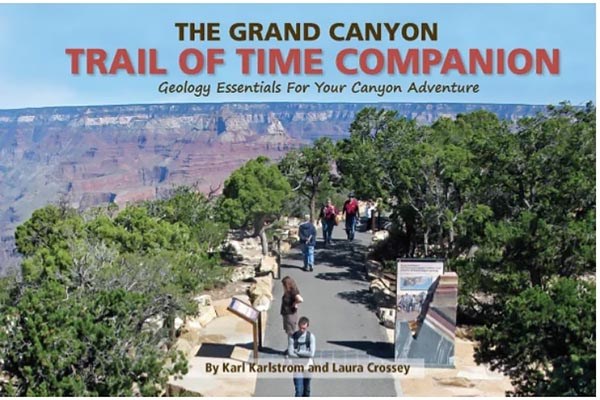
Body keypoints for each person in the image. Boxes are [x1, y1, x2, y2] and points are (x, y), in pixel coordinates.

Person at [287, 316, 316, 397]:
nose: (301, 330)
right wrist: (305, 354)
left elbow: (311, 354)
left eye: (304, 328)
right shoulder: (292, 337)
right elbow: (290, 353)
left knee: (306, 390)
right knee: (299, 391)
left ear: (307, 326)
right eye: (300, 328)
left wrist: (298, 351)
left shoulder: (310, 337)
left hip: (308, 367)